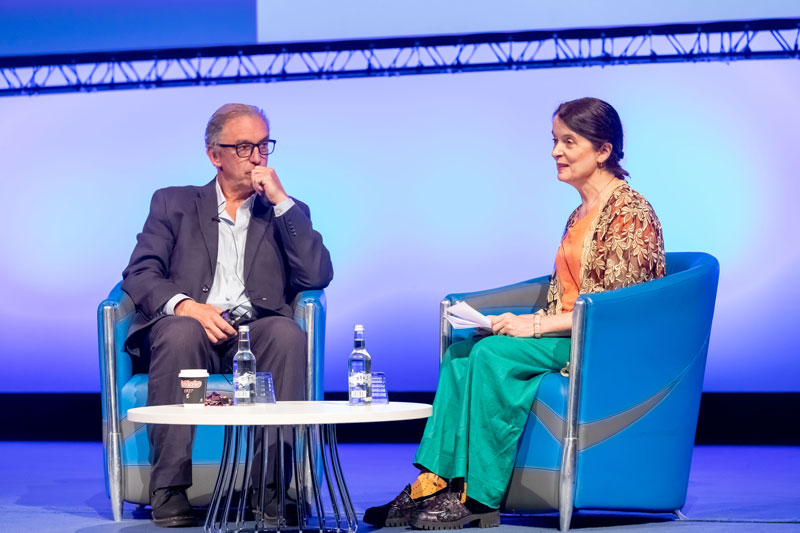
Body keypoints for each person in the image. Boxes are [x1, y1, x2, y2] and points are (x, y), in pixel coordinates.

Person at [364, 97, 665, 529]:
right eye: (555, 140)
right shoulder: (580, 212)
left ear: (603, 150)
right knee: (463, 353)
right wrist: (524, 325)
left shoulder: (630, 213)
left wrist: (536, 325)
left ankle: (479, 498)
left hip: (602, 345)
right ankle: (436, 480)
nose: (555, 151)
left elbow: (615, 310)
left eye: (569, 141)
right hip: (567, 335)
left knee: (492, 356)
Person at [121, 103, 333, 527]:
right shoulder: (173, 203)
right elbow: (140, 273)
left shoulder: (286, 212)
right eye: (243, 147)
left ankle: (269, 489)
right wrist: (186, 305)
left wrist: (281, 202)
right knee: (180, 333)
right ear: (214, 155)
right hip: (190, 328)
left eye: (263, 146)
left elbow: (317, 274)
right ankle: (170, 488)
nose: (257, 157)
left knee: (287, 335)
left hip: (254, 331)